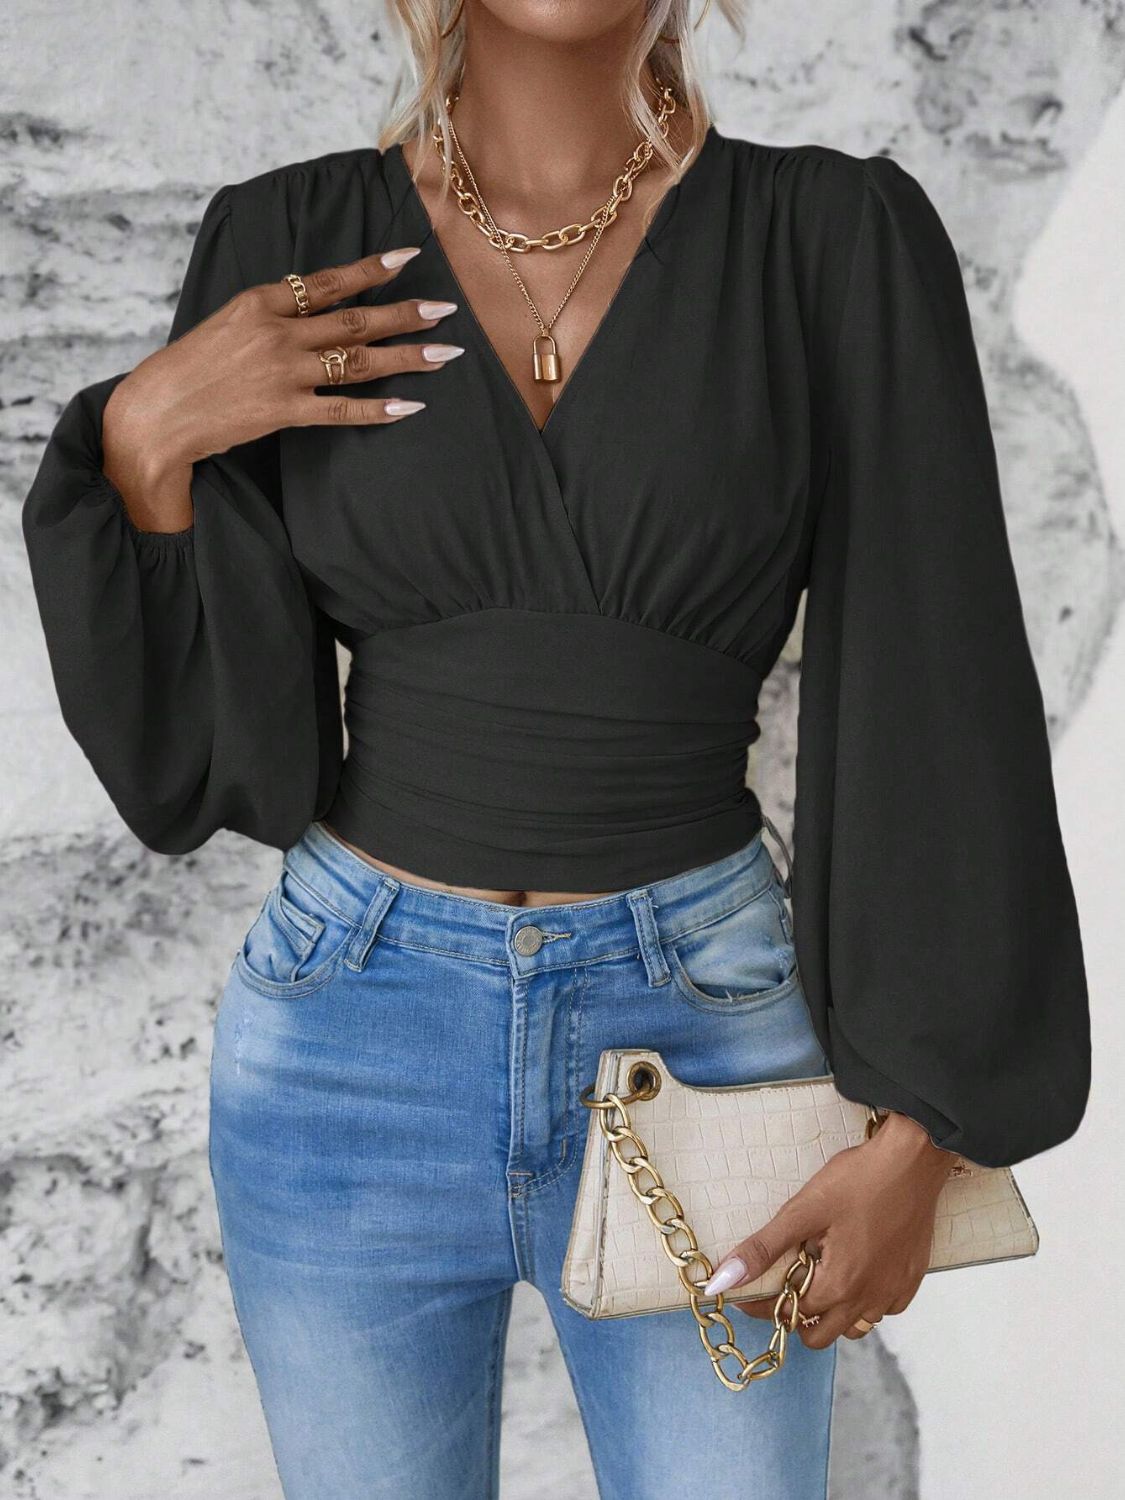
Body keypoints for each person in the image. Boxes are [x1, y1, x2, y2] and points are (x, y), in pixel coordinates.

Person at [21, 1, 1090, 1497]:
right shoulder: (286, 245)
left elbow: (940, 680)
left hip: (711, 1041)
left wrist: (924, 1132)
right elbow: (209, 766)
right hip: (346, 1051)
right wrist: (140, 441)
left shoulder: (831, 239)